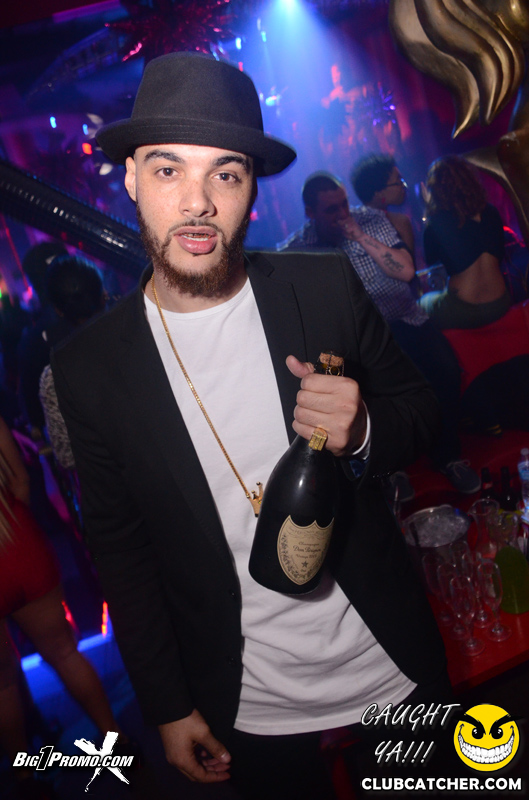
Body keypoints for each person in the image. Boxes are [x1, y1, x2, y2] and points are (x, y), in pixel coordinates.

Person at [51, 53, 448, 800]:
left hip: (385, 659)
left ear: (251, 187)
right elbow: (122, 554)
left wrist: (363, 428)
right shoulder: (89, 367)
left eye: (225, 174)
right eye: (168, 170)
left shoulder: (323, 286)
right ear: (131, 178)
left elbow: (422, 410)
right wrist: (166, 706)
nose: (197, 202)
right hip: (247, 696)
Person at [280, 170, 480, 495]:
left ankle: (448, 457)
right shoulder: (298, 248)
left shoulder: (370, 220)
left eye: (344, 204)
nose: (342, 213)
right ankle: (392, 470)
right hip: (360, 340)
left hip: (406, 319)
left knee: (445, 371)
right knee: (370, 397)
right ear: (311, 212)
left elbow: (406, 271)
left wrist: (359, 236)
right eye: (331, 209)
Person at [0, 415, 124, 800]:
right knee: (65, 653)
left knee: (2, 683)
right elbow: (21, 481)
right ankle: (116, 744)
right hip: (16, 539)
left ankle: (26, 780)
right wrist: (15, 530)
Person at [421, 155, 511, 329]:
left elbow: (429, 258)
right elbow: (500, 254)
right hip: (501, 302)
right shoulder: (491, 212)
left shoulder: (437, 221)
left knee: (422, 303)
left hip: (464, 310)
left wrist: (429, 208)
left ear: (435, 189)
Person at [39, 255, 106, 470]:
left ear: (58, 310)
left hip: (113, 485)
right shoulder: (146, 334)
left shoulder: (55, 377)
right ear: (103, 295)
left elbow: (67, 456)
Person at [350, 152, 415, 258]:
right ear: (379, 192)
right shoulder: (400, 223)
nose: (403, 186)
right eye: (398, 182)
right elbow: (410, 266)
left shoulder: (352, 225)